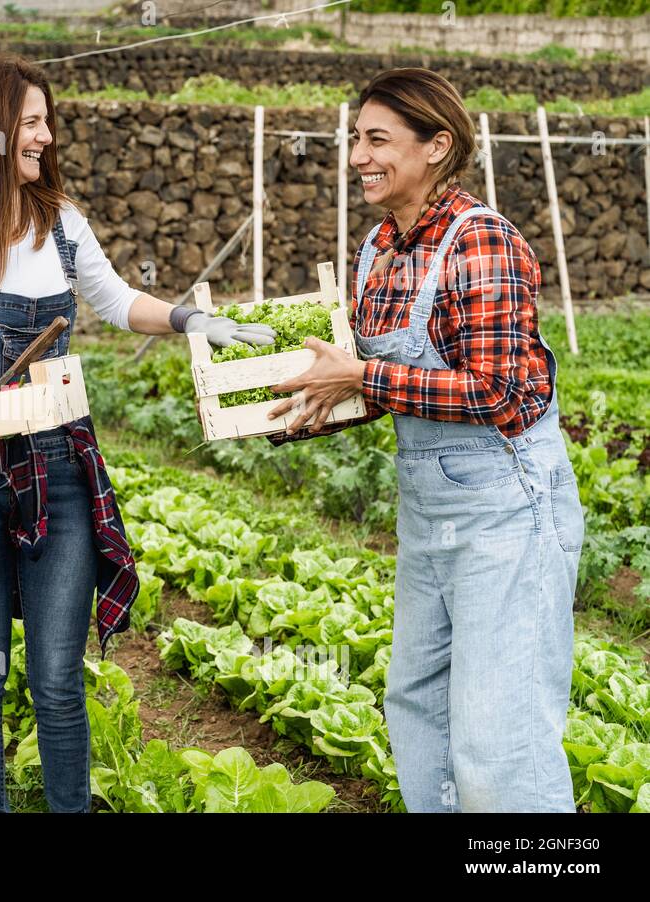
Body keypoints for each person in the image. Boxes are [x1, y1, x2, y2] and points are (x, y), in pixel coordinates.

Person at [0, 50, 276, 813]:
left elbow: (119, 299)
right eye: (30, 123)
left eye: (45, 122)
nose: (45, 136)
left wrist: (193, 320)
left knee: (58, 678)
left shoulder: (59, 223)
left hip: (59, 466)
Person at [268, 68, 583, 812]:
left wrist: (362, 379)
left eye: (377, 140)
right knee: (419, 707)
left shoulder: (482, 241)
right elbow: (387, 379)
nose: (358, 157)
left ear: (437, 146)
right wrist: (311, 401)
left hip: (506, 510)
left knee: (498, 735)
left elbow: (498, 392)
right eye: (356, 139)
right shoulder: (379, 247)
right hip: (430, 511)